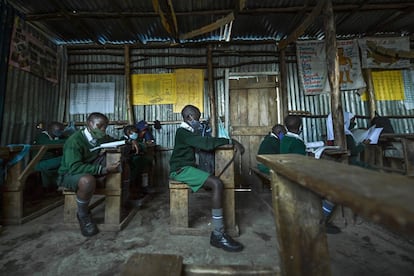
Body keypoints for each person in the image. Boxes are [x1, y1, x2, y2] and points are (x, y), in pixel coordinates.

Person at [169, 104, 245, 252]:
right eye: (197, 117)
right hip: (180, 170)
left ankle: (218, 232)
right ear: (190, 117)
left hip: (185, 168)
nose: (199, 120)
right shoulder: (183, 132)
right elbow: (206, 144)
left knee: (213, 180)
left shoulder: (187, 132)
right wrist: (230, 141)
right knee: (217, 183)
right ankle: (218, 234)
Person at [57, 112, 138, 237]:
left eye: (105, 127)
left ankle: (124, 201)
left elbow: (114, 141)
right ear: (89, 124)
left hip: (89, 167)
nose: (103, 130)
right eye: (99, 126)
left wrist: (129, 142)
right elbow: (74, 167)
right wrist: (103, 170)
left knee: (124, 165)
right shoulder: (74, 141)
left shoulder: (100, 136)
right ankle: (83, 216)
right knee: (87, 181)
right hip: (71, 173)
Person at [281, 115, 341, 234]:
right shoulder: (297, 142)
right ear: (300, 127)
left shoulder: (285, 139)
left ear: (286, 127)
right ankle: (320, 222)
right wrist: (314, 156)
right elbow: (303, 164)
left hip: (287, 174)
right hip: (297, 177)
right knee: (333, 191)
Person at [33, 121, 68, 193]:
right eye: (58, 130)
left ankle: (61, 184)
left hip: (49, 162)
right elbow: (49, 144)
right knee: (66, 158)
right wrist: (68, 141)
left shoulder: (56, 137)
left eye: (62, 130)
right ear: (50, 130)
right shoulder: (42, 136)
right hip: (39, 164)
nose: (61, 132)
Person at [123, 125, 154, 203]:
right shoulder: (123, 140)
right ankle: (132, 192)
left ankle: (142, 188)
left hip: (135, 160)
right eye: (135, 132)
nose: (136, 134)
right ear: (128, 133)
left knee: (145, 162)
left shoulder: (136, 140)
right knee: (135, 167)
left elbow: (141, 146)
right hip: (127, 161)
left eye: (137, 132)